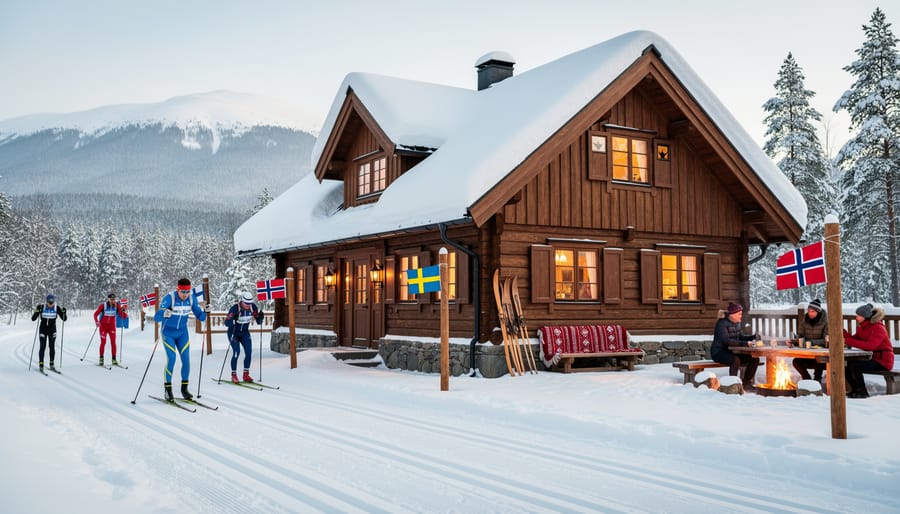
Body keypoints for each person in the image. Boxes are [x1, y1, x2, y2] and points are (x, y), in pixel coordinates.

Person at [153, 278, 209, 401]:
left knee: (186, 360)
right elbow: (156, 317)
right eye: (182, 292)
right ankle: (168, 390)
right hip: (168, 333)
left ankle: (184, 390)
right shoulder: (170, 298)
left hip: (182, 333)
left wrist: (206, 311)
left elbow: (200, 316)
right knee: (172, 359)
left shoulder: (191, 299)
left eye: (187, 291)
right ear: (177, 289)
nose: (185, 294)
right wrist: (164, 314)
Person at [843, 303, 895, 398]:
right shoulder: (863, 327)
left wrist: (846, 340)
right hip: (873, 358)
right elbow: (854, 339)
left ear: (865, 316)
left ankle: (862, 391)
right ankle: (855, 389)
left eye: (858, 315)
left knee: (856, 366)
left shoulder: (878, 328)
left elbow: (870, 346)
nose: (856, 317)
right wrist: (842, 332)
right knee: (845, 365)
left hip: (883, 361)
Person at [711, 302, 760, 389]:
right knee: (735, 360)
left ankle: (746, 383)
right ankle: (732, 385)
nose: (741, 316)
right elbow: (726, 341)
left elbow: (741, 337)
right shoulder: (721, 324)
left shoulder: (737, 323)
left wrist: (752, 337)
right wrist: (745, 344)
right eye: (739, 314)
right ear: (732, 314)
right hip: (718, 352)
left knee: (754, 359)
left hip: (731, 352)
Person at [224, 291, 265, 383]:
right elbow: (226, 323)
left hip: (245, 333)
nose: (248, 305)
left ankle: (246, 374)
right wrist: (233, 320)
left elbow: (259, 322)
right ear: (242, 301)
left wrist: (261, 317)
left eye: (249, 303)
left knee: (249, 352)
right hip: (233, 333)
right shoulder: (235, 308)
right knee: (236, 352)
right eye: (246, 303)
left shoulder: (253, 307)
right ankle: (234, 375)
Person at [791, 299, 829, 382]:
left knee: (819, 360)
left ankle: (817, 380)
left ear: (818, 311)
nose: (810, 313)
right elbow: (800, 335)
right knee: (796, 362)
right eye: (809, 311)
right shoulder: (805, 321)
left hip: (822, 355)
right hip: (808, 353)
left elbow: (826, 340)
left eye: (813, 311)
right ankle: (807, 380)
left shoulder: (825, 322)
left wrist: (811, 342)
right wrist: (795, 341)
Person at [31, 294, 67, 372]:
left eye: (52, 303)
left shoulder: (56, 308)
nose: (50, 304)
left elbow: (64, 319)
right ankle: (41, 364)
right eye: (49, 302)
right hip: (43, 329)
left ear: (54, 302)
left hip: (52, 330)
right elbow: (33, 319)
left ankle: (52, 364)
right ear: (46, 301)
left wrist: (64, 312)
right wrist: (37, 310)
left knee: (52, 346)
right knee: (42, 346)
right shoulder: (41, 307)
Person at [93, 293, 127, 366]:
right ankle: (101, 359)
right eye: (111, 299)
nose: (113, 301)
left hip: (111, 326)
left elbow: (123, 316)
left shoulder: (117, 306)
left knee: (113, 343)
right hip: (103, 326)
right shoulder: (103, 305)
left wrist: (123, 312)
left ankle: (114, 359)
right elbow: (95, 314)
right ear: (108, 299)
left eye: (114, 299)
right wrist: (97, 322)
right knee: (103, 342)